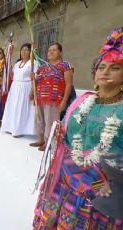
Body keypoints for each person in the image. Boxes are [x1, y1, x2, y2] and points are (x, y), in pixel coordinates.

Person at [33, 27, 123, 229]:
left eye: (115, 68)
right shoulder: (83, 101)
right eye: (101, 67)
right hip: (65, 183)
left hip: (101, 191)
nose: (105, 72)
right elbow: (66, 138)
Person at [29, 42, 74, 151]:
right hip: (39, 98)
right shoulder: (42, 67)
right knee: (39, 120)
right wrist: (33, 80)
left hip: (54, 99)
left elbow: (69, 84)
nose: (51, 52)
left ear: (60, 52)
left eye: (54, 50)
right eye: (49, 50)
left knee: (51, 121)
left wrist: (64, 101)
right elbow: (37, 82)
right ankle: (41, 139)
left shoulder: (65, 65)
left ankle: (50, 142)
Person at [1, 43, 37, 137]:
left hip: (26, 87)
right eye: (22, 50)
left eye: (26, 50)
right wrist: (8, 60)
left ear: (30, 52)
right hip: (15, 87)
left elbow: (35, 78)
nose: (23, 52)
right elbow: (12, 75)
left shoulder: (33, 63)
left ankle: (19, 130)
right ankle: (10, 127)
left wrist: (32, 91)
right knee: (13, 107)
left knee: (21, 108)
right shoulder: (17, 64)